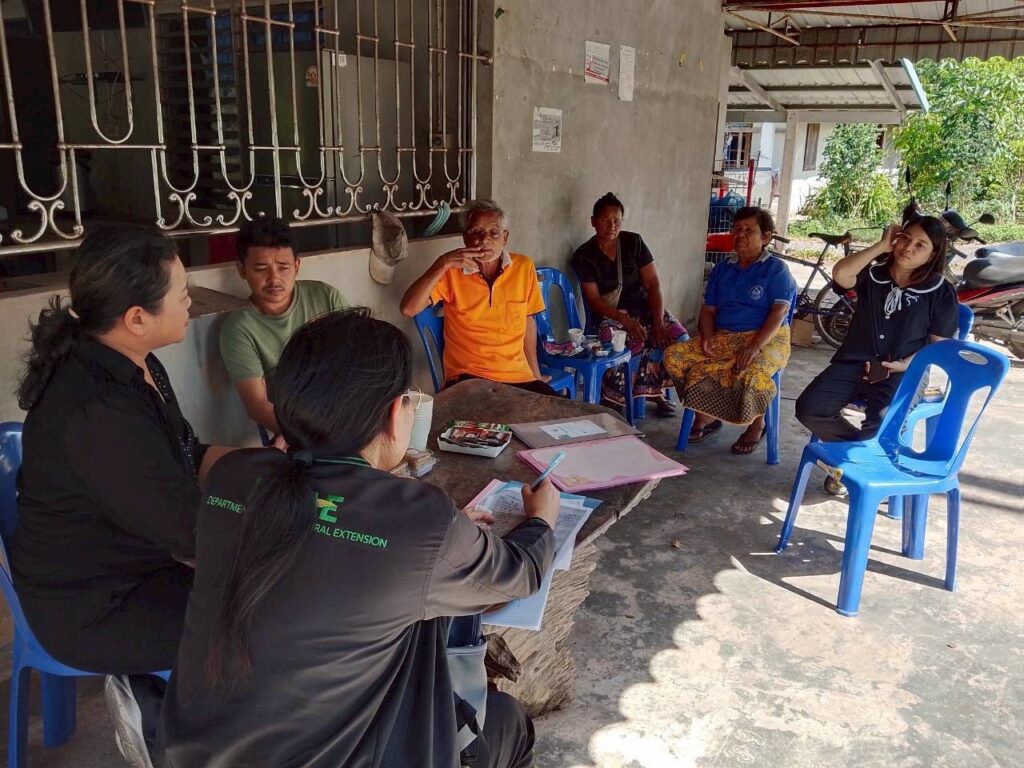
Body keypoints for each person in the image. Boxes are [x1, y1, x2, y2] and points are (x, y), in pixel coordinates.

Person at [160, 308, 557, 768]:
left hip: (192, 753)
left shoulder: (231, 477)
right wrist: (542, 520)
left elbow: (318, 533)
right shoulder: (416, 520)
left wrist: (429, 537)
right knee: (508, 720)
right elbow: (518, 576)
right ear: (394, 413)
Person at [12, 226, 233, 766]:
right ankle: (159, 724)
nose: (190, 300)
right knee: (259, 616)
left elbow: (186, 452)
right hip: (94, 606)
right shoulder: (96, 410)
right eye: (181, 293)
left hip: (136, 562)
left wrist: (277, 462)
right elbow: (191, 535)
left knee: (261, 588)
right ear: (136, 317)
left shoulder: (137, 363)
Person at [796, 217, 959, 494]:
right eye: (905, 238)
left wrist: (905, 364)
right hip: (855, 362)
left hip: (905, 370)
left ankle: (863, 468)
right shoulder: (874, 275)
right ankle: (863, 454)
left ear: (933, 254)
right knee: (810, 408)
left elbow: (939, 346)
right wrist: (880, 246)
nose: (908, 247)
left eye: (921, 245)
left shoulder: (940, 290)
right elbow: (841, 274)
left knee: (882, 421)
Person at [663, 207, 797, 455]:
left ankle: (757, 424)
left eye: (748, 230)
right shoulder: (722, 269)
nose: (740, 235)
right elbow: (708, 310)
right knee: (675, 357)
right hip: (725, 335)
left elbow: (779, 313)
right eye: (737, 229)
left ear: (766, 237)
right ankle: (707, 415)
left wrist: (754, 346)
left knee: (751, 372)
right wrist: (707, 336)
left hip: (768, 337)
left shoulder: (776, 269)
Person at [400, 198, 556, 396]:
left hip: (518, 378)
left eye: (493, 232)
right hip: (469, 380)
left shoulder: (523, 267)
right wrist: (442, 263)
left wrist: (535, 376)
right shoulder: (451, 272)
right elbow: (408, 309)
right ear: (465, 237)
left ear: (505, 237)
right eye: (477, 232)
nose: (484, 240)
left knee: (557, 412)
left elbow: (527, 324)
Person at [219, 216, 347, 434]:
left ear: (297, 266)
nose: (274, 279)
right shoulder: (239, 329)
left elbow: (358, 360)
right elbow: (257, 405)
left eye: (283, 267)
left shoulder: (325, 296)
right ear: (242, 270)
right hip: (295, 424)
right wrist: (305, 436)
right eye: (261, 268)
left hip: (345, 410)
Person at [572, 193, 688, 416]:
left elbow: (653, 283)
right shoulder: (584, 255)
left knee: (678, 339)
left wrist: (658, 321)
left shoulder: (634, 242)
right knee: (627, 344)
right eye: (605, 220)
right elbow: (594, 300)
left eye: (616, 220)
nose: (612, 226)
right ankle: (617, 397)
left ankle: (654, 392)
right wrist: (625, 320)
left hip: (644, 309)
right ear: (593, 221)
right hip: (611, 315)